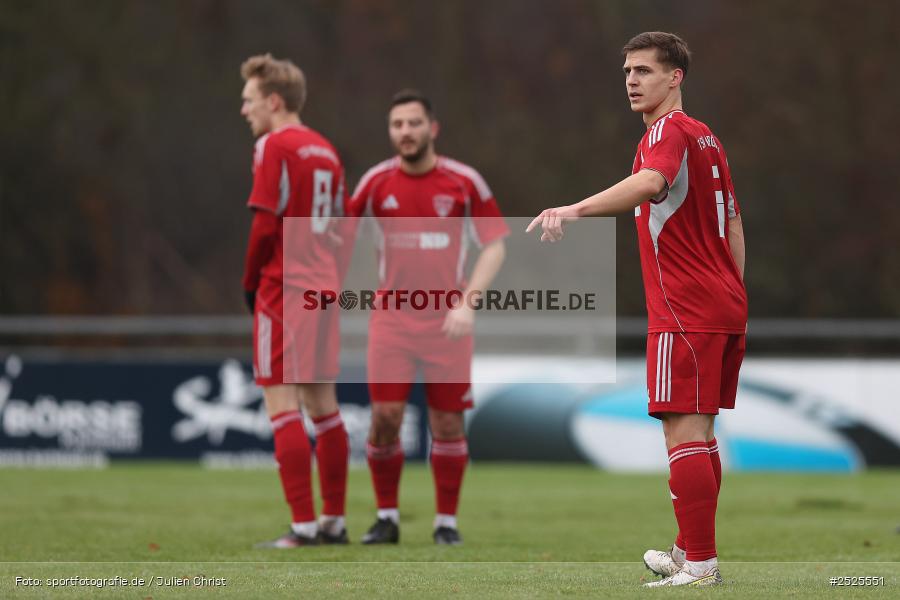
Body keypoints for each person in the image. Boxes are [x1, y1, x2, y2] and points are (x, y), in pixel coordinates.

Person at [528, 32, 747, 587]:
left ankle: (700, 566)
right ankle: (687, 549)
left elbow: (651, 182)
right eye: (627, 71)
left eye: (644, 71)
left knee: (682, 432)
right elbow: (734, 224)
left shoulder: (666, 133)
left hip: (684, 307)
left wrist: (575, 210)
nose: (631, 80)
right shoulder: (706, 137)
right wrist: (730, 291)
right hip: (721, 303)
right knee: (701, 431)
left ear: (676, 78)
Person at [349, 90, 508, 545]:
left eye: (414, 123)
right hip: (392, 321)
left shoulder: (463, 181)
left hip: (447, 325)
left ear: (432, 128)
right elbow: (337, 234)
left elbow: (494, 245)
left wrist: (467, 302)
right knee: (385, 417)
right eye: (397, 124)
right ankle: (386, 518)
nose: (405, 131)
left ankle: (446, 524)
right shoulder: (375, 182)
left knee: (447, 424)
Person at [239, 53, 349, 547]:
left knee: (282, 405)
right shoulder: (326, 150)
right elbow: (343, 227)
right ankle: (334, 521)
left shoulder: (272, 145)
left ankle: (302, 526)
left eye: (249, 100)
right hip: (323, 288)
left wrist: (250, 282)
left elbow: (266, 224)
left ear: (274, 101)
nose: (244, 110)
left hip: (283, 287)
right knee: (324, 409)